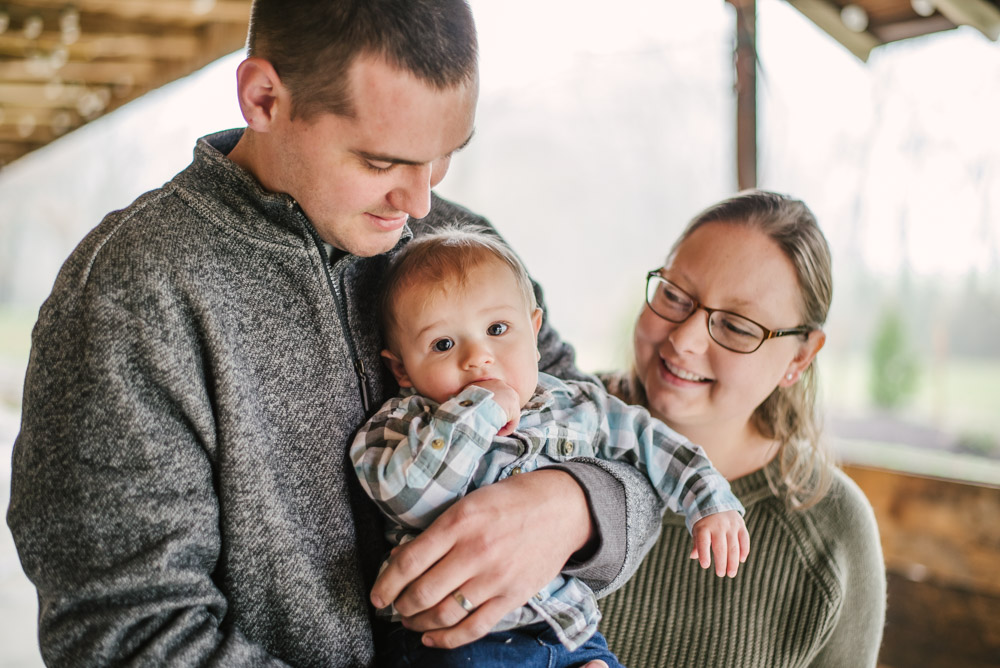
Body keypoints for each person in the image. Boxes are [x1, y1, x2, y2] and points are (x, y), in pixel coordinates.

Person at [6, 2, 664, 666]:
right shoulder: (132, 289)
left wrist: (576, 506)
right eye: (381, 162)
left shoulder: (460, 243)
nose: (420, 203)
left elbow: (627, 456)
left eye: (442, 156)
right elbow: (123, 634)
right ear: (263, 98)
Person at [350, 228, 750, 667]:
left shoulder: (576, 404)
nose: (478, 357)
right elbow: (410, 499)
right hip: (458, 638)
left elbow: (649, 440)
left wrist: (708, 500)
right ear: (402, 369)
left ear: (534, 331)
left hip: (567, 628)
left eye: (497, 329)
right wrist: (479, 410)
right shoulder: (399, 424)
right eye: (443, 344)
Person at [595, 190, 887, 667]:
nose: (683, 340)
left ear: (800, 357)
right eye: (674, 295)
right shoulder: (549, 422)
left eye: (736, 326)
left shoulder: (834, 532)